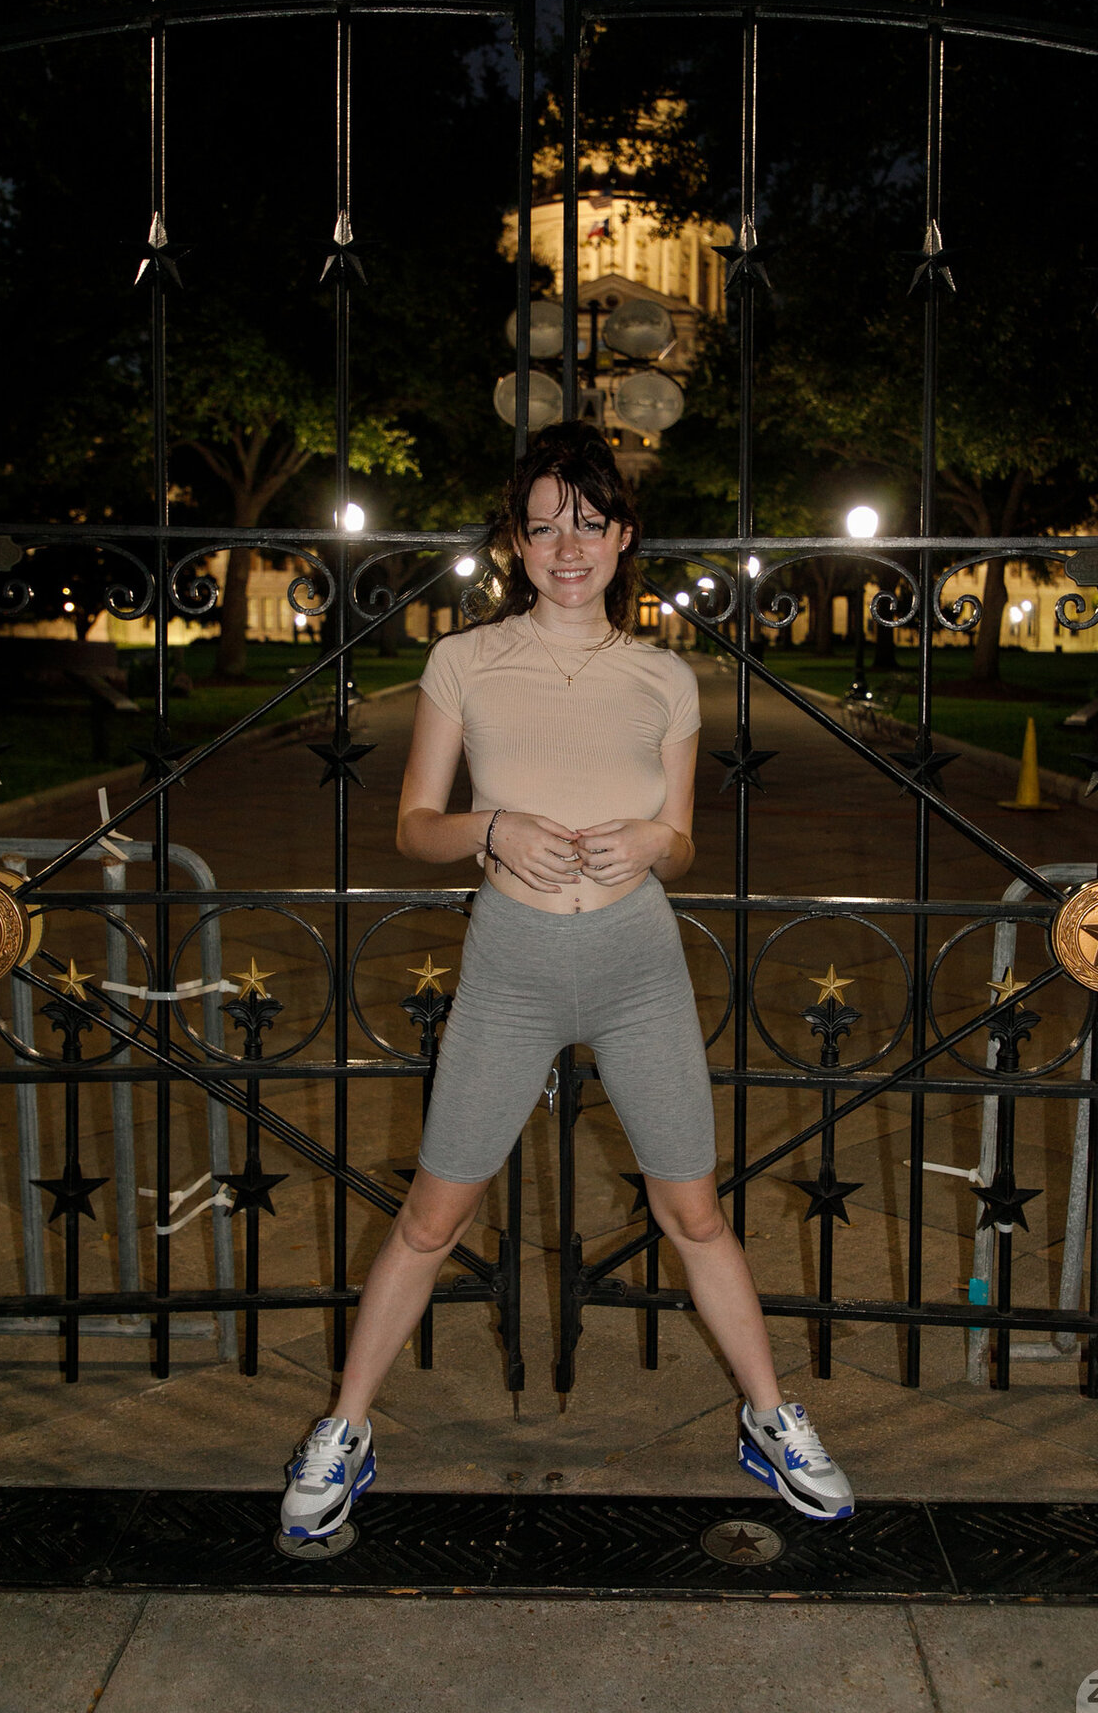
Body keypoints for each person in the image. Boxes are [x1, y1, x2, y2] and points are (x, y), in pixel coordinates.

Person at [280, 422, 854, 1540]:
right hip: (513, 965)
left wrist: (651, 843)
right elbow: (415, 826)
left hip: (639, 964)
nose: (568, 547)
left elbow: (681, 844)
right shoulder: (466, 661)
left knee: (693, 1210)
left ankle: (772, 1417)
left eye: (589, 523)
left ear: (623, 535)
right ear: (516, 542)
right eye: (543, 528)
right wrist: (492, 826)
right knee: (434, 1215)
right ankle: (344, 1427)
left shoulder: (663, 676)